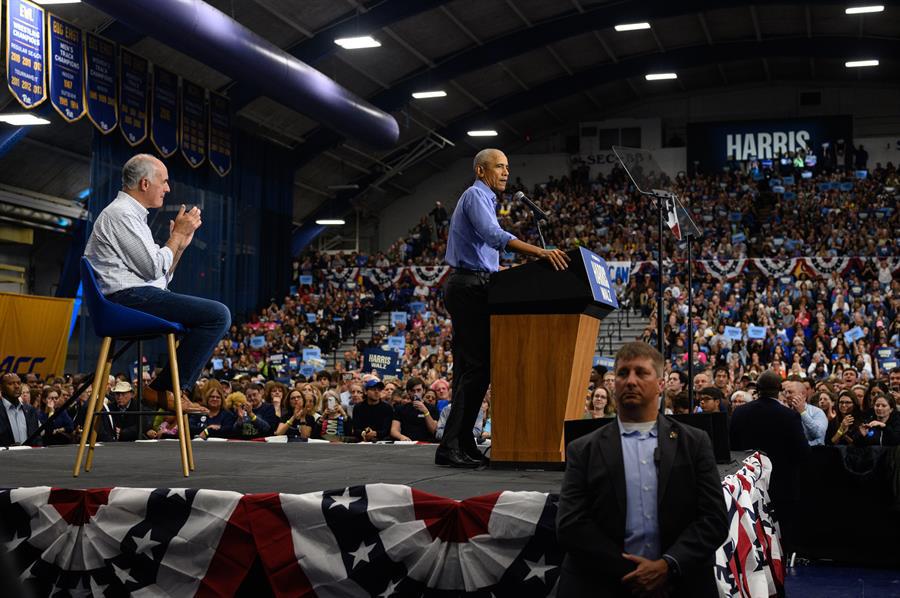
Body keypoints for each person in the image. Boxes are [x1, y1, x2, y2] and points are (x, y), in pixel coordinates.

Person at [557, 342, 728, 597]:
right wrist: (636, 572)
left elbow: (714, 519)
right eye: (623, 373)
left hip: (680, 584)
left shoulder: (695, 443)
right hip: (600, 583)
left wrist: (668, 565)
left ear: (661, 384)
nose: (631, 381)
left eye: (641, 372)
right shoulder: (583, 449)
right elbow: (570, 524)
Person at [438, 148, 570, 468]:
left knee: (471, 369)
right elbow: (493, 236)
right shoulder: (475, 196)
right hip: (468, 287)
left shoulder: (486, 199)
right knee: (478, 367)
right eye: (499, 167)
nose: (506, 172)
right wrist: (540, 253)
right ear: (482, 171)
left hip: (477, 284)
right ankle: (449, 446)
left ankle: (463, 441)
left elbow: (486, 253)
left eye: (508, 167)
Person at [83, 154, 231, 414]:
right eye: (163, 182)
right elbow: (153, 267)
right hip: (123, 301)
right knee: (218, 315)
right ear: (144, 183)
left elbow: (159, 278)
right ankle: (167, 389)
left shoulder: (134, 217)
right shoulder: (121, 215)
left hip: (135, 295)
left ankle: (164, 389)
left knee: (213, 316)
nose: (168, 188)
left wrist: (180, 246)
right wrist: (176, 236)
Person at [729, 369, 810, 544]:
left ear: (757, 389)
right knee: (779, 533)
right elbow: (803, 450)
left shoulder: (739, 412)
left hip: (748, 482)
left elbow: (731, 446)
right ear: (779, 389)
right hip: (781, 483)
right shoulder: (789, 415)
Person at [783, 376, 828, 446]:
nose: (787, 396)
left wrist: (803, 412)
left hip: (813, 453)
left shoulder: (817, 412)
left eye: (790, 392)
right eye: (786, 393)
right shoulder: (784, 412)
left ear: (803, 394)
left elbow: (819, 434)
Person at [0, 373, 41, 447]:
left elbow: (37, 438)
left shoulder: (30, 410)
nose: (16, 386)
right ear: (1, 387)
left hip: (28, 456)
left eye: (18, 383)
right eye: (10, 384)